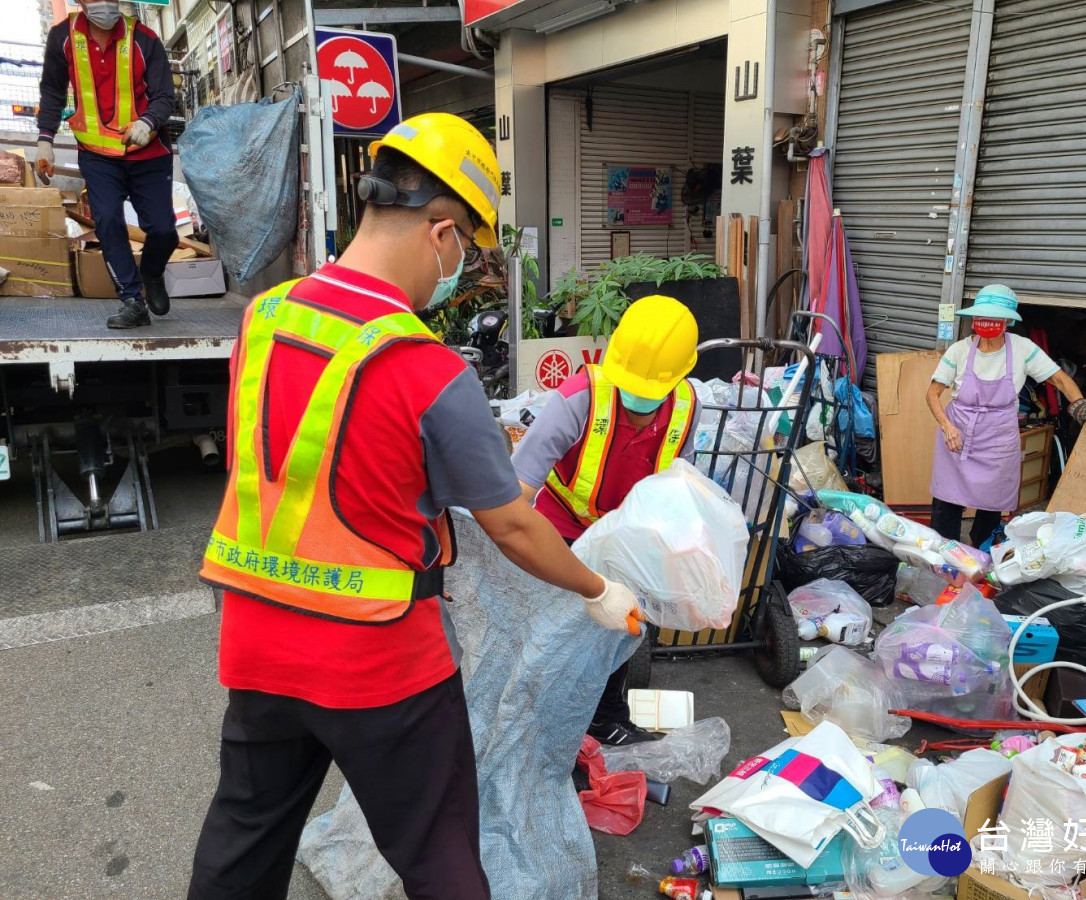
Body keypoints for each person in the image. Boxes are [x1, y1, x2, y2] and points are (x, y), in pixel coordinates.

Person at [187, 113, 642, 900]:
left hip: (259, 640)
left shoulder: (264, 319)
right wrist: (599, 590)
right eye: (466, 243)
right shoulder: (424, 367)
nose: (462, 264)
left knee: (243, 841)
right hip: (381, 663)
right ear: (439, 232)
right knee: (438, 857)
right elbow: (510, 524)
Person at [511, 295, 700, 746]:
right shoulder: (579, 400)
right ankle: (542, 735)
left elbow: (678, 491)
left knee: (619, 631)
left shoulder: (686, 408)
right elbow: (515, 492)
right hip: (561, 531)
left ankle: (604, 717)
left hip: (627, 540)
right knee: (553, 639)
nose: (639, 399)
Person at [926, 284, 1086, 547]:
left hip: (998, 436)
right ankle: (943, 553)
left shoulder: (1023, 348)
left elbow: (1058, 378)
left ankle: (983, 552)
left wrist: (1079, 404)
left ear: (1008, 321)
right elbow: (932, 394)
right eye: (982, 317)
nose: (986, 323)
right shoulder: (959, 350)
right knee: (947, 500)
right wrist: (947, 427)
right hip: (959, 431)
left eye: (993, 317)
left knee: (992, 502)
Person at [37, 0, 177, 329]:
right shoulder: (63, 37)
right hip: (98, 155)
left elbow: (164, 95)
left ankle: (152, 273)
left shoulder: (144, 39)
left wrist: (148, 122)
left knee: (164, 231)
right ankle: (132, 300)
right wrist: (46, 138)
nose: (105, 4)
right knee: (108, 220)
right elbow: (53, 91)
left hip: (149, 153)